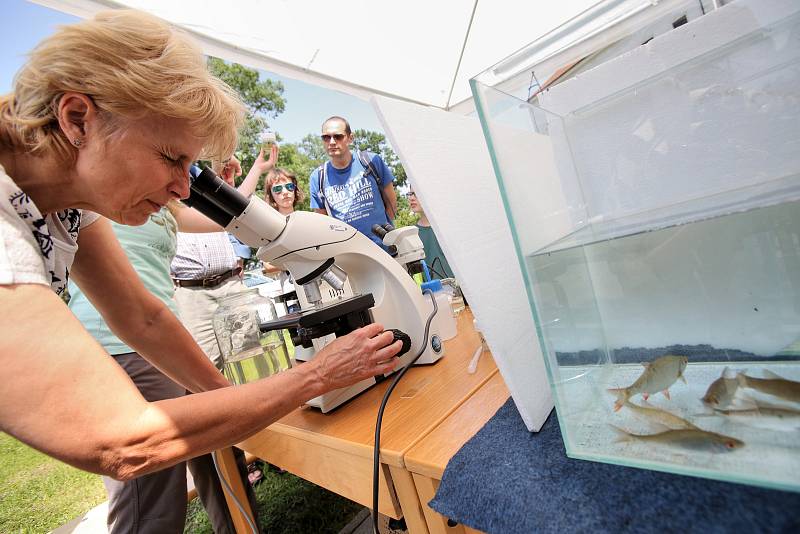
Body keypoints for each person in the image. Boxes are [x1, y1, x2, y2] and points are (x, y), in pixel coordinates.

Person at [0, 8, 401, 502]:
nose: (180, 187)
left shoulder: (69, 203)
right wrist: (315, 376)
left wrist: (232, 402)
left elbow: (143, 318)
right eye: (171, 158)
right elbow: (121, 440)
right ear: (77, 117)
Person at [67, 155, 269, 533]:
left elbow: (225, 218)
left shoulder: (165, 207)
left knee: (216, 448)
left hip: (162, 338)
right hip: (120, 346)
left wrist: (250, 173)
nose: (182, 177)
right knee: (151, 497)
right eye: (173, 158)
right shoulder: (100, 189)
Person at [171, 149, 276, 371]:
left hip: (231, 284)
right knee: (206, 366)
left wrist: (254, 168)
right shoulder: (166, 199)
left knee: (254, 355)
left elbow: (235, 208)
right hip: (192, 293)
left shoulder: (202, 185)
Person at [309, 116, 398, 248]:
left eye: (338, 136)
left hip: (386, 249)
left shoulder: (371, 161)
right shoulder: (317, 177)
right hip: (350, 258)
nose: (332, 142)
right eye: (326, 137)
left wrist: (385, 237)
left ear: (350, 138)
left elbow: (392, 204)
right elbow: (324, 224)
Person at [407, 187, 455, 280]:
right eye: (410, 194)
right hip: (431, 292)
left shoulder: (448, 226)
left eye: (416, 193)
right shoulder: (412, 234)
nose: (411, 198)